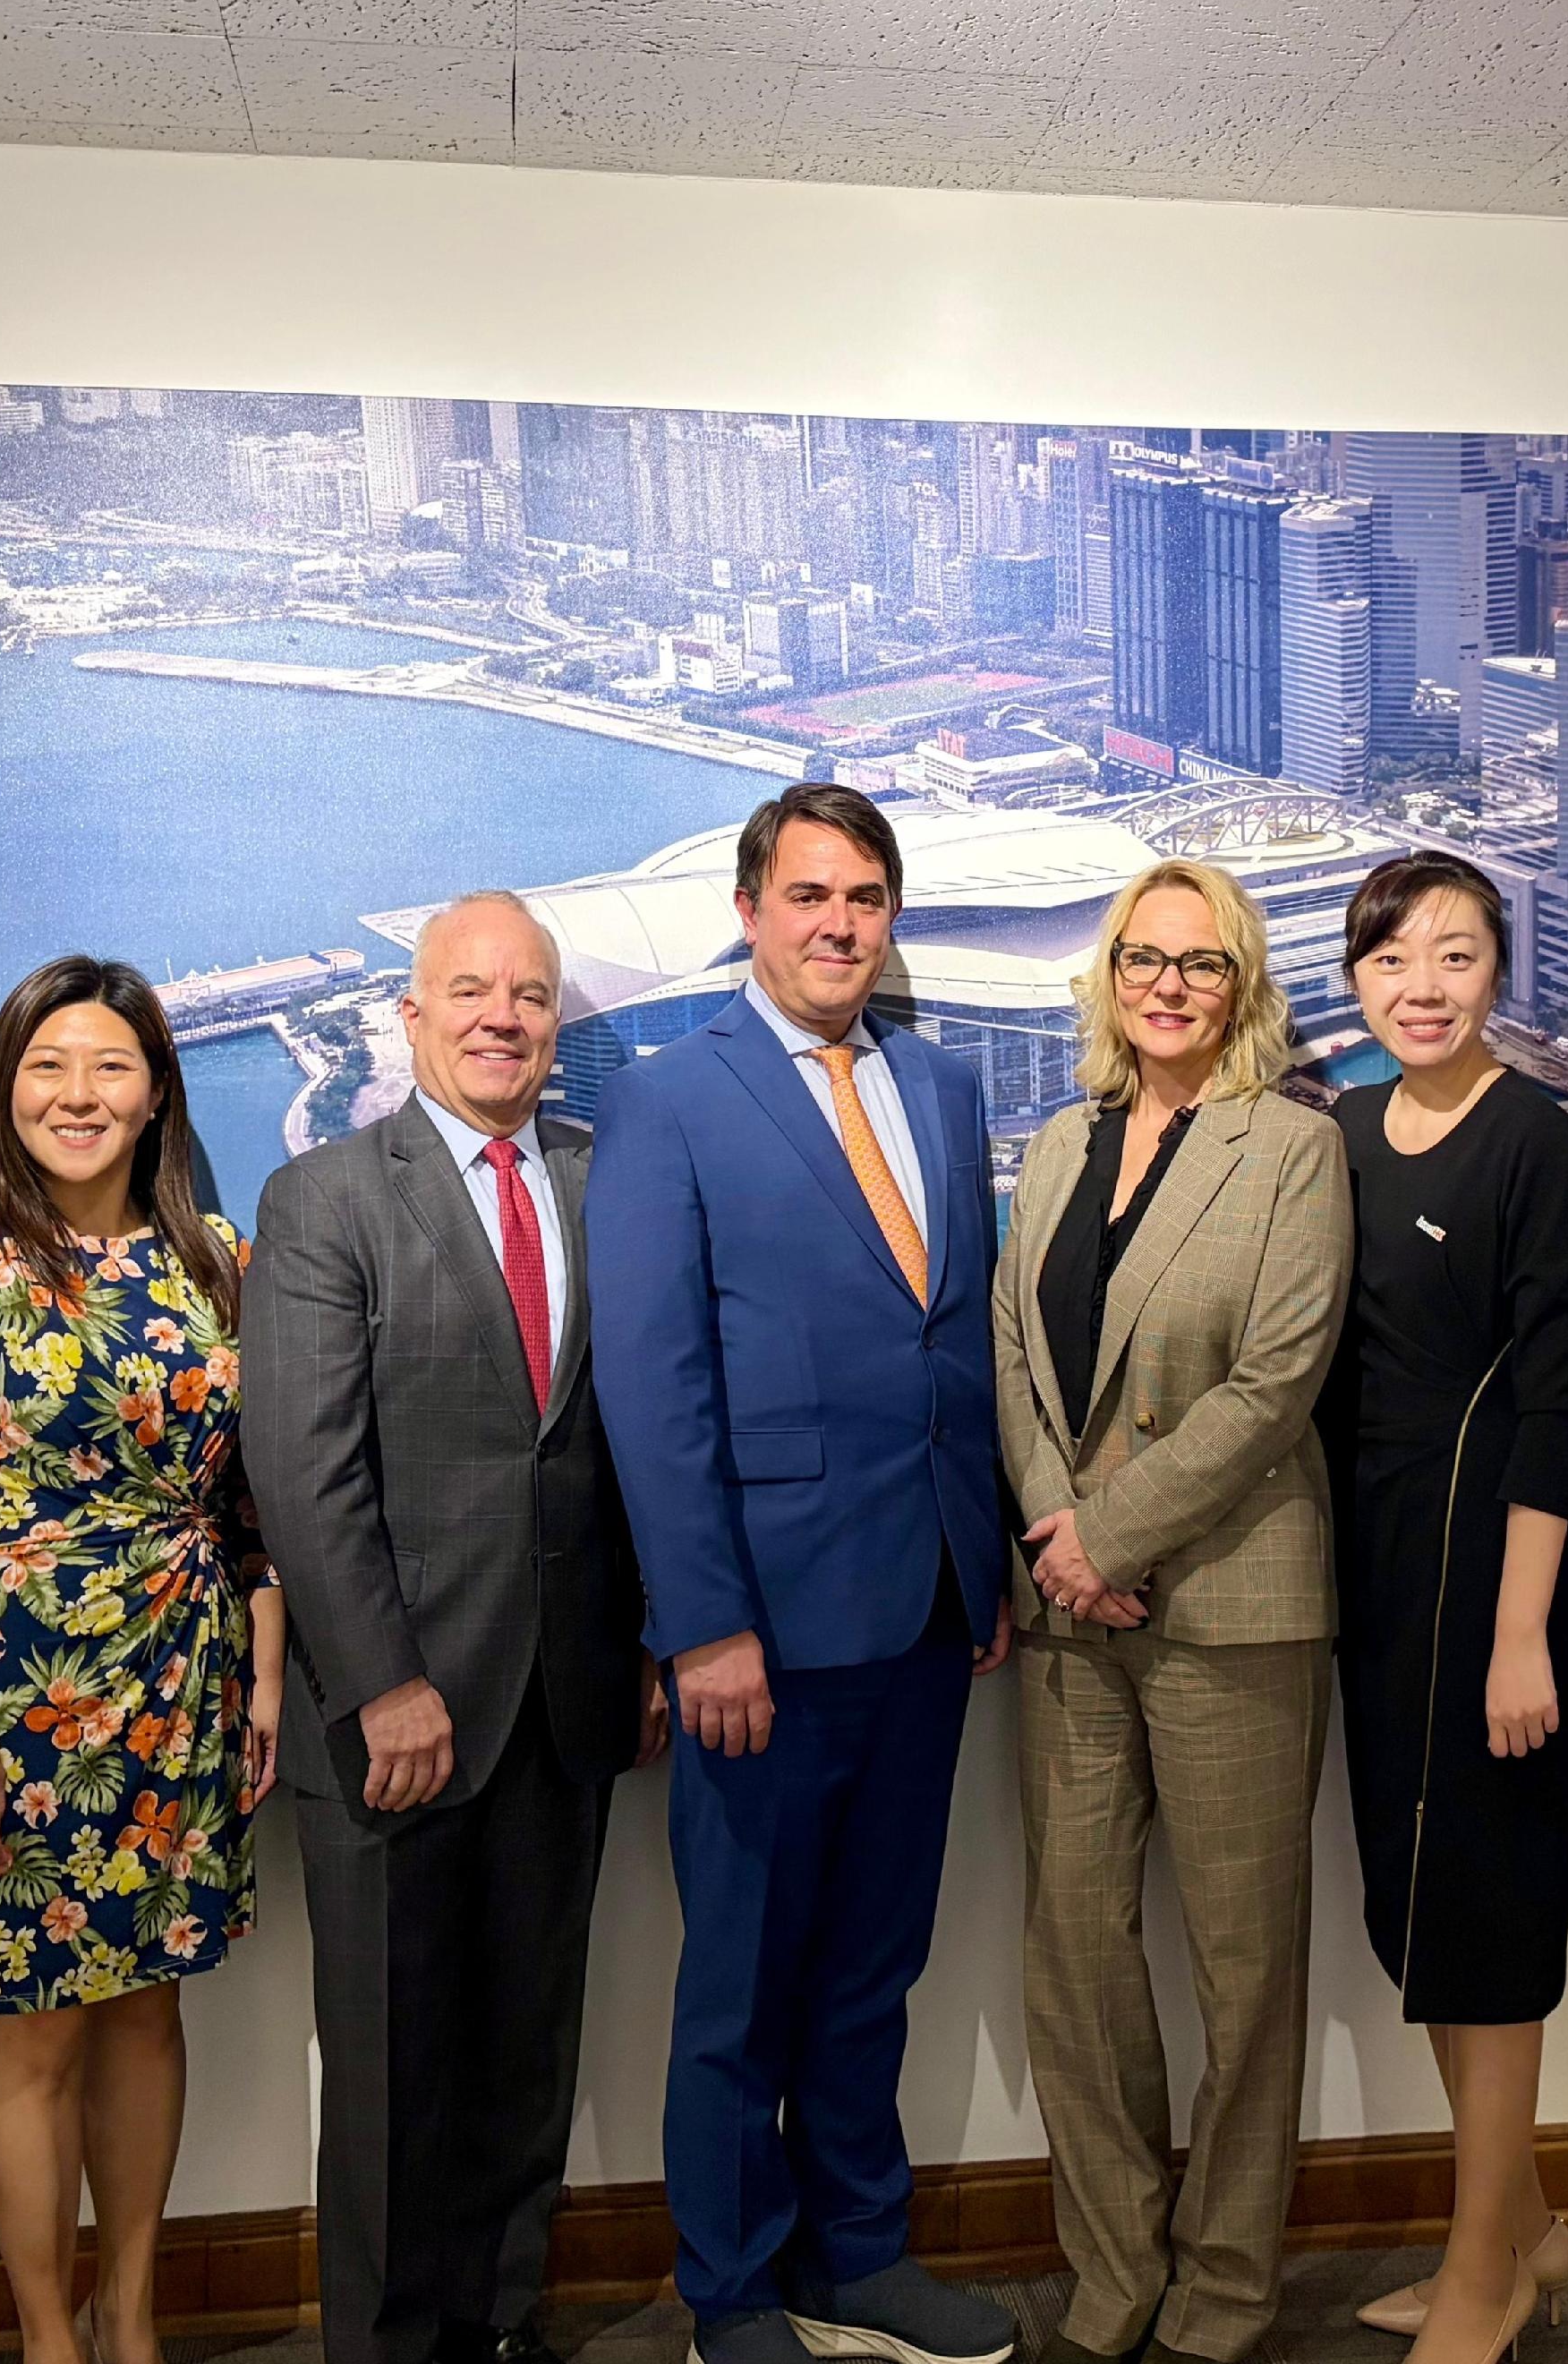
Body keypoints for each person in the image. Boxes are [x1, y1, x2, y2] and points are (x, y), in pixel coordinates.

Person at [587, 782, 1021, 2364]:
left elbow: (952, 1342)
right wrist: (701, 1624)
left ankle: (859, 2255)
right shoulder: (669, 1098)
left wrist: (984, 1568)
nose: (840, 924)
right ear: (753, 913)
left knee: (873, 1967)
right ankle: (732, 2288)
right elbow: (654, 1380)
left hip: (927, 1613)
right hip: (757, 1631)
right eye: (809, 896)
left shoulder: (945, 1085)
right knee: (743, 1985)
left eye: (866, 898)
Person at [242, 892, 669, 2364]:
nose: (503, 1016)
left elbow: (636, 1439)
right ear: (410, 1017)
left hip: (568, 1697)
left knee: (525, 2050)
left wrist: (652, 1645)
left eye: (532, 995)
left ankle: (498, 2323)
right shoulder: (328, 1198)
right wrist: (381, 1685)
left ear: (558, 1023)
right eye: (470, 991)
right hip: (400, 1716)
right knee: (388, 2075)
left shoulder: (609, 1179)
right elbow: (303, 1468)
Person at [0, 956, 283, 2364]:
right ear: (7, 1092)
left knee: (150, 2007)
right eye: (48, 1067)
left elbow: (248, 1503)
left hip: (186, 1686)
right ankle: (50, 2339)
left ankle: (138, 2317)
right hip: (17, 1705)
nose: (79, 1095)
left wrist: (266, 1678)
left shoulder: (215, 1257)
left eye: (109, 1066)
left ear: (156, 1091)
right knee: (38, 2029)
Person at [993, 861, 1354, 2364]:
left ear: (1243, 985)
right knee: (1075, 1957)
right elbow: (1014, 1350)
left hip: (1231, 1609)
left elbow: (1279, 1380)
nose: (1169, 987)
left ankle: (1224, 2290)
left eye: (1203, 966)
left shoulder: (1292, 1149)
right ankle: (1112, 2266)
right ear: (1109, 975)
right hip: (1073, 1617)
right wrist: (1059, 1543)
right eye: (1146, 959)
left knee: (1244, 1970)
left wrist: (1111, 1534)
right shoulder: (1062, 1144)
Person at [1317, 852, 1568, 2364]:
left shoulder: (1532, 1149)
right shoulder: (1346, 1132)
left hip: (1492, 1593)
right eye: (1390, 960)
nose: (1419, 988)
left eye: (1452, 958)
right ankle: (1529, 2225)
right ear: (1355, 978)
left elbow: (1557, 1405)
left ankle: (1483, 2279)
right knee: (1421, 1913)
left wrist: (1518, 1636)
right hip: (1374, 1580)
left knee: (1489, 1930)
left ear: (1499, 972)